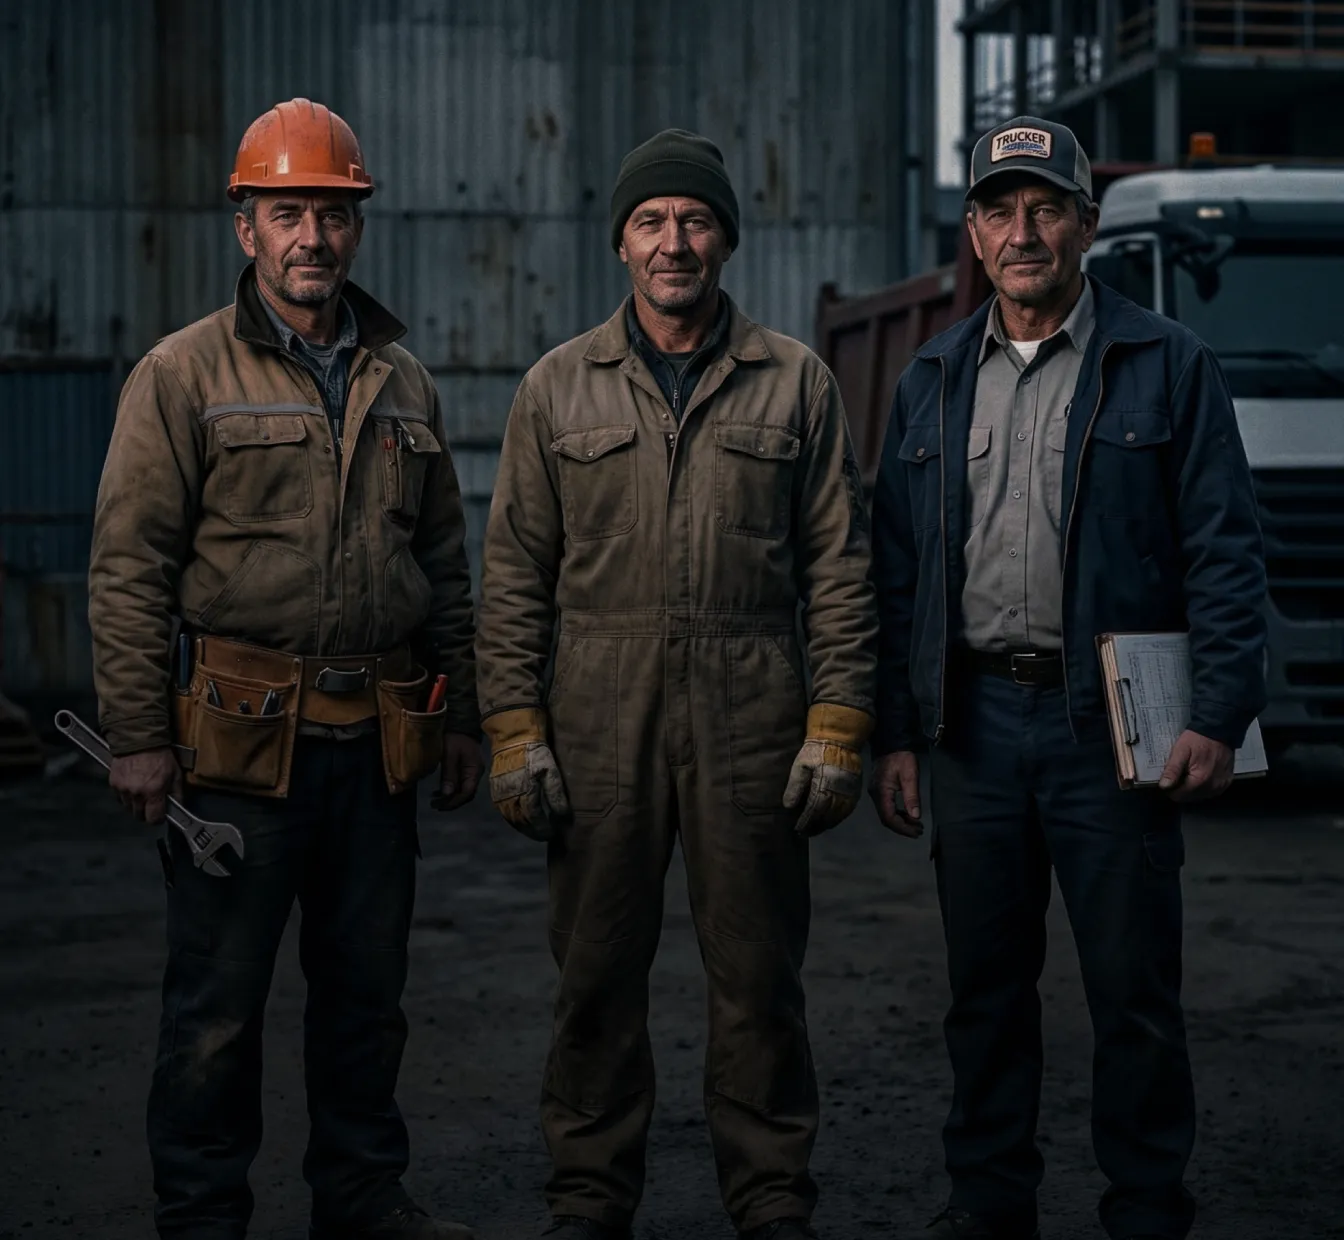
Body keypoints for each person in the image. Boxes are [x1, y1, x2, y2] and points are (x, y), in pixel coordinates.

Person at [88, 98, 482, 1240]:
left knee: (367, 1001)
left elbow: (444, 558)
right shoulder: (181, 375)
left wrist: (463, 712)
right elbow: (127, 566)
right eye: (288, 212)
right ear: (246, 227)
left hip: (378, 747)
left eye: (333, 213)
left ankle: (360, 1198)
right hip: (235, 753)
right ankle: (204, 1214)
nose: (313, 235)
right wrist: (136, 733)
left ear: (357, 227)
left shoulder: (402, 380)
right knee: (217, 1010)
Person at [868, 116, 1267, 1240]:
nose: (1023, 229)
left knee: (1133, 994)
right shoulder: (933, 380)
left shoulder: (1167, 364)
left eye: (1046, 205)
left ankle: (1146, 1206)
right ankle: (990, 1200)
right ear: (976, 236)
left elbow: (1225, 549)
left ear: (1087, 224)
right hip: (975, 728)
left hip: (1113, 729)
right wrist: (897, 731)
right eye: (1000, 208)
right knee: (984, 995)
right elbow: (894, 568)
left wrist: (1220, 715)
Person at [474, 128, 877, 1240]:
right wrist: (514, 727)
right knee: (595, 975)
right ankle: (591, 1200)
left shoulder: (794, 380)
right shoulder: (558, 387)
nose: (673, 242)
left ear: (726, 240)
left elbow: (841, 567)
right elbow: (511, 574)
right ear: (620, 243)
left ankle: (772, 1200)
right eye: (650, 222)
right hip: (598, 708)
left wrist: (838, 721)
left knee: (758, 981)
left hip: (754, 704)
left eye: (695, 221)